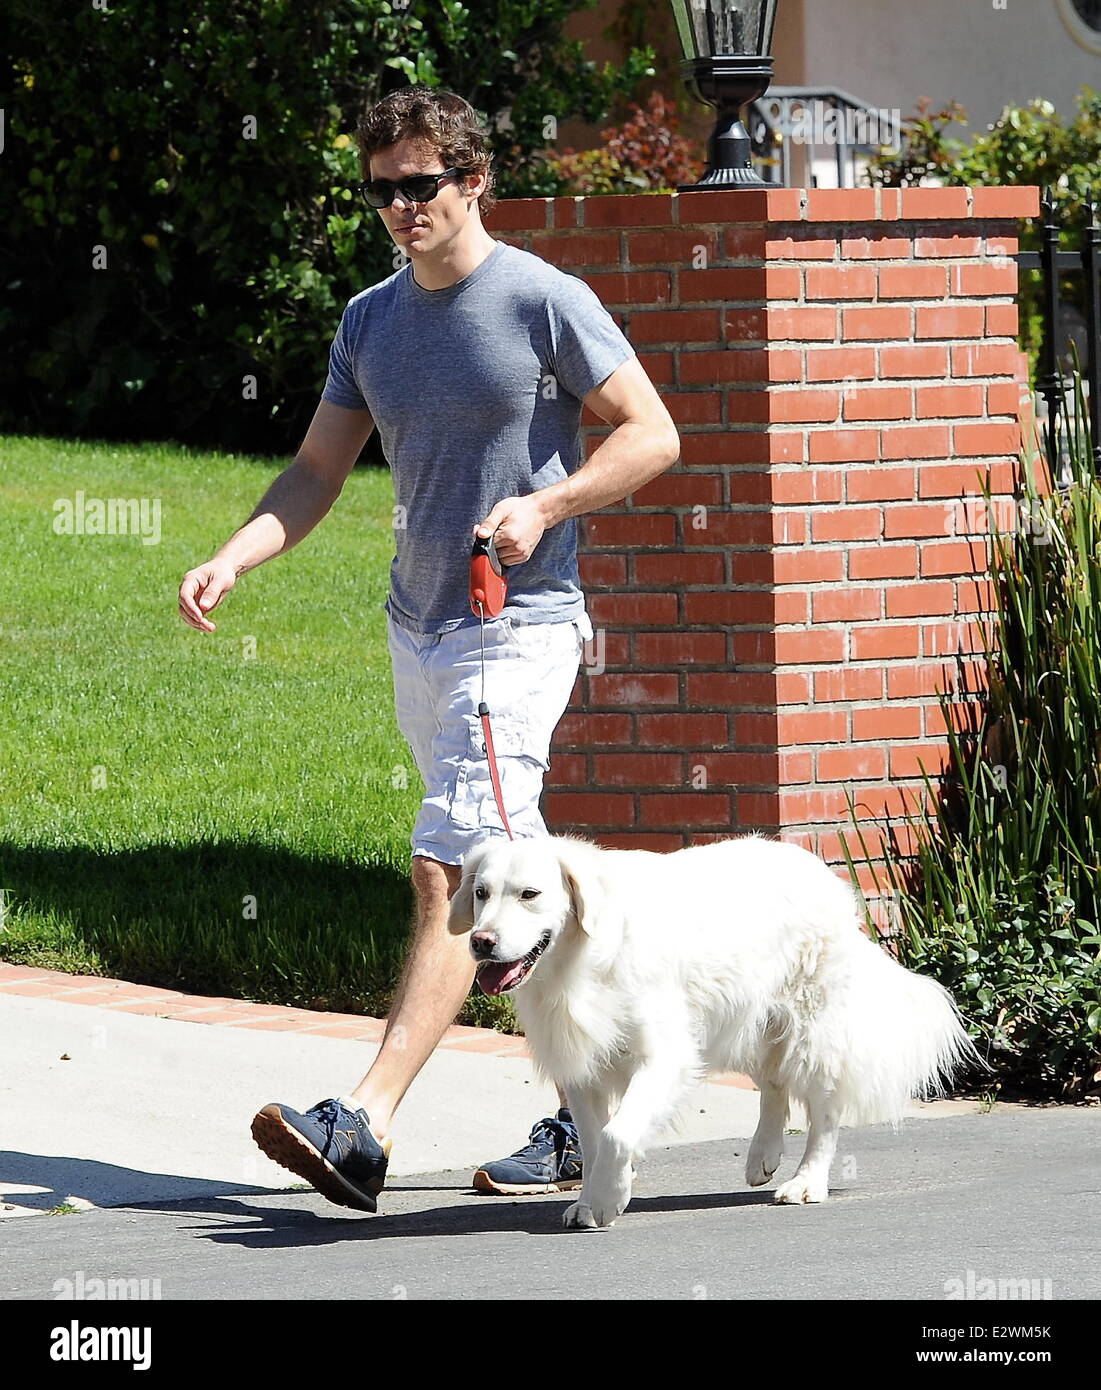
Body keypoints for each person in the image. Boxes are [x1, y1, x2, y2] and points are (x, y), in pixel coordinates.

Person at [177, 86, 679, 1213]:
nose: (403, 207)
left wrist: (546, 509)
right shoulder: (372, 320)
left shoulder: (544, 301)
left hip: (519, 620)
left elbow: (654, 433)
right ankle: (580, 1108)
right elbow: (315, 470)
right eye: (384, 190)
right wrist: (234, 556)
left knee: (450, 866)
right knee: (526, 874)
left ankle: (365, 1122)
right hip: (420, 628)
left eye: (422, 185)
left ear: (474, 181)